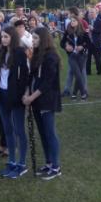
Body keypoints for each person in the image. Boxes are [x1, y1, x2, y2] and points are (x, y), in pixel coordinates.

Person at [23, 27, 62, 180]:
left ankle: (56, 167)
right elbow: (31, 77)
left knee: (50, 132)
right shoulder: (37, 55)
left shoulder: (51, 56)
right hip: (36, 101)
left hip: (47, 100)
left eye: (36, 38)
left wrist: (31, 97)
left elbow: (47, 82)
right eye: (32, 38)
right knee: (43, 133)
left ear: (44, 39)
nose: (33, 41)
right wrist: (27, 93)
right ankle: (49, 162)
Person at [0, 26, 29, 178]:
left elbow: (25, 76)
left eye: (6, 37)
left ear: (13, 38)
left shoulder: (20, 53)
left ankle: (22, 163)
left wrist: (24, 93)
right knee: (8, 129)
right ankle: (12, 161)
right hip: (1, 95)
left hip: (15, 96)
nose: (3, 39)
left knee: (19, 130)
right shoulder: (0, 52)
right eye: (2, 37)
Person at [60, 16, 90, 100]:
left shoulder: (83, 32)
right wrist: (66, 46)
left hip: (82, 56)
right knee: (77, 73)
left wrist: (82, 47)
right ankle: (83, 93)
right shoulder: (67, 32)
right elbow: (61, 43)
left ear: (78, 22)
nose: (72, 22)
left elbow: (89, 43)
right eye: (71, 21)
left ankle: (74, 93)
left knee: (79, 74)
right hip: (72, 56)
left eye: (74, 21)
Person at [85, 8, 101, 76]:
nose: (91, 14)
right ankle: (88, 72)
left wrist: (93, 29)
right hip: (89, 41)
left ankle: (100, 71)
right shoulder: (88, 20)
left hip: (96, 41)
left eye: (92, 12)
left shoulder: (99, 21)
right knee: (88, 58)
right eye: (90, 12)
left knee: (97, 57)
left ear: (96, 13)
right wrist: (87, 31)